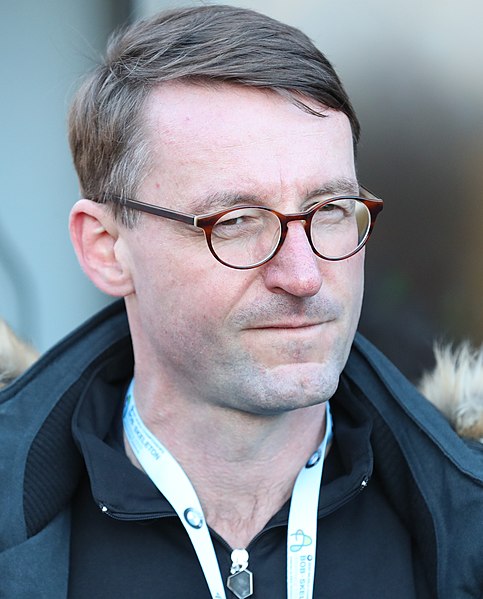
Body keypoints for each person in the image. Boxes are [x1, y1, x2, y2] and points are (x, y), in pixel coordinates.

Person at [0, 5, 482, 598]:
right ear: (107, 249)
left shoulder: (464, 517)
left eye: (329, 211)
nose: (303, 276)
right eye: (237, 221)